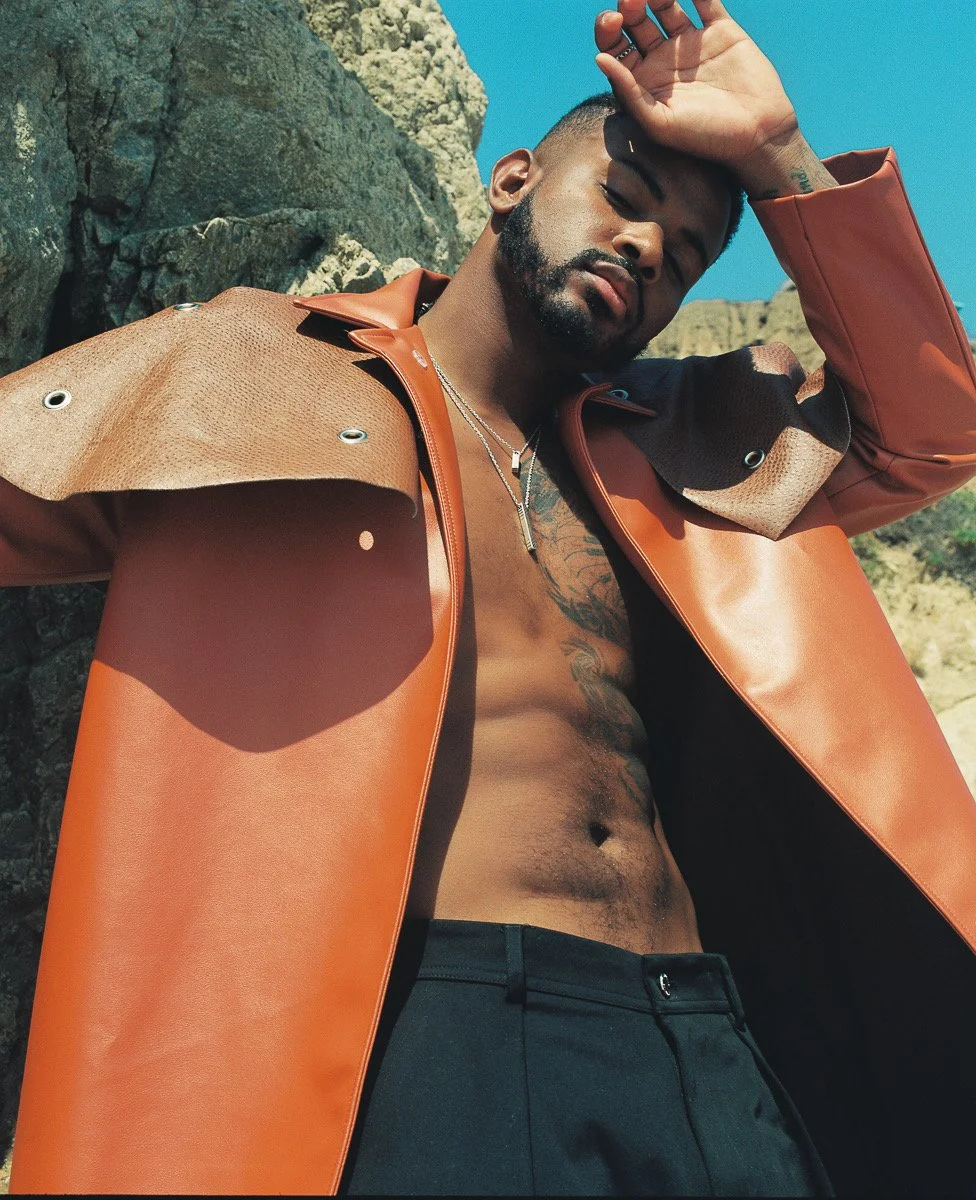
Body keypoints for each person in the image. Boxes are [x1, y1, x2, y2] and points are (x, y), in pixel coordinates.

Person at [3, 0, 975, 1194]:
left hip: (711, 1039)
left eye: (684, 247)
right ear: (512, 176)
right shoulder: (249, 369)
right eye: (624, 194)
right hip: (451, 1029)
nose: (648, 246)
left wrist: (778, 154)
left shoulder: (698, 443)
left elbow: (933, 434)